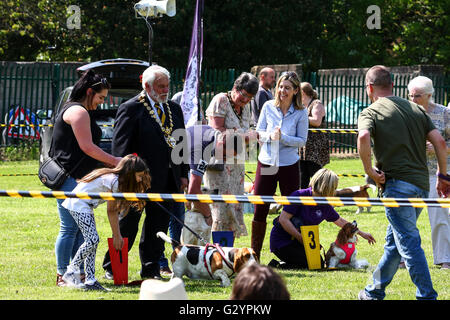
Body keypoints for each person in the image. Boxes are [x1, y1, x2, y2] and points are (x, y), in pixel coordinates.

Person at [357, 65, 449, 300]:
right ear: (393, 86)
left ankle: (427, 296)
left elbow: (364, 137)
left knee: (408, 242)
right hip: (421, 186)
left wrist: (369, 170)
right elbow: (440, 142)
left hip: (397, 186)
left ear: (369, 88)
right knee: (394, 244)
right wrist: (443, 176)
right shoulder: (417, 109)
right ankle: (373, 292)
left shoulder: (371, 111)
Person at [102, 65, 189, 280]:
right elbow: (121, 147)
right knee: (129, 223)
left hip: (168, 179)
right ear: (147, 86)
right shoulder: (131, 108)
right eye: (160, 86)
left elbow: (181, 143)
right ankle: (112, 266)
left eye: (167, 86)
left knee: (157, 227)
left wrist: (184, 172)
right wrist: (127, 176)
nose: (165, 90)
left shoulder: (174, 109)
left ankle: (150, 269)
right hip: (138, 180)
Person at [50, 70, 121, 287]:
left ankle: (79, 274)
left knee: (81, 229)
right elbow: (88, 148)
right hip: (68, 178)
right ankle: (63, 275)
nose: (101, 103)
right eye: (100, 98)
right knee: (70, 228)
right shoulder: (78, 112)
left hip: (78, 178)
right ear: (89, 92)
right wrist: (115, 161)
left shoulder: (79, 110)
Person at [61, 154, 151, 291]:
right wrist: (117, 235)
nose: (140, 180)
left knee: (92, 242)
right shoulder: (114, 182)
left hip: (85, 205)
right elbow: (111, 211)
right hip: (78, 204)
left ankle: (90, 281)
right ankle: (71, 271)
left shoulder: (117, 180)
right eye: (139, 176)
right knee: (93, 240)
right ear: (130, 173)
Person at [251, 71, 309, 259]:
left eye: (287, 88)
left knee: (292, 209)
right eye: (281, 87)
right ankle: (255, 254)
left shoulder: (301, 112)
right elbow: (259, 133)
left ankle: (291, 252)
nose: (283, 91)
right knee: (260, 208)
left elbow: (302, 141)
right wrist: (270, 136)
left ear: (295, 91)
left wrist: (283, 138)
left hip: (289, 165)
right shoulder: (268, 106)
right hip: (267, 163)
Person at [269, 168, 375, 269]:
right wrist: (301, 238)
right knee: (308, 264)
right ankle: (277, 264)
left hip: (301, 242)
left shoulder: (325, 205)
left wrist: (362, 233)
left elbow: (341, 221)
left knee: (317, 263)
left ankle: (284, 263)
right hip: (282, 242)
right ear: (326, 187)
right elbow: (283, 220)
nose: (335, 190)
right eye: (334, 187)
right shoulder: (299, 195)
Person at [204, 72, 259, 238]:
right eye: (243, 96)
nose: (245, 101)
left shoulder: (246, 106)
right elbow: (216, 133)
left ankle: (227, 255)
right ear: (236, 88)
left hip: (237, 165)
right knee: (220, 209)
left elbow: (248, 129)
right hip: (219, 165)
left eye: (250, 98)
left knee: (234, 209)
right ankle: (214, 254)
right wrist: (243, 136)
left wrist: (248, 136)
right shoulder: (221, 100)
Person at [407, 76, 450, 269]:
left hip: (438, 173)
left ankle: (444, 260)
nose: (413, 99)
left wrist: (440, 148)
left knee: (440, 217)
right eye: (411, 95)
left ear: (430, 95)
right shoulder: (406, 113)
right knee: (403, 218)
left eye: (418, 96)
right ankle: (400, 258)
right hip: (411, 173)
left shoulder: (444, 113)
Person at [299, 82, 330, 189]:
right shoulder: (302, 106)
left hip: (315, 146)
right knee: (302, 174)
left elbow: (317, 121)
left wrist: (300, 118)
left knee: (315, 173)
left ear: (302, 92)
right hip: (304, 145)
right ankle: (303, 200)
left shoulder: (317, 104)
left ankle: (323, 196)